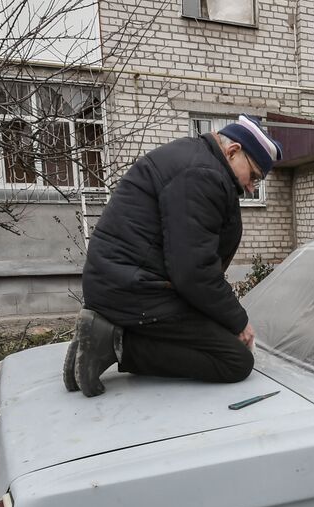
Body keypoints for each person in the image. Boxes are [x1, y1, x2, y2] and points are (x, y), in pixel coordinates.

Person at [64, 114, 282, 397]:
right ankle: (115, 343)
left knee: (222, 335)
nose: (251, 187)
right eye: (253, 175)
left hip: (126, 282)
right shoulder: (203, 174)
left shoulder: (197, 160)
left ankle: (106, 338)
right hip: (135, 290)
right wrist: (238, 320)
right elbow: (193, 270)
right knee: (235, 360)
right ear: (233, 150)